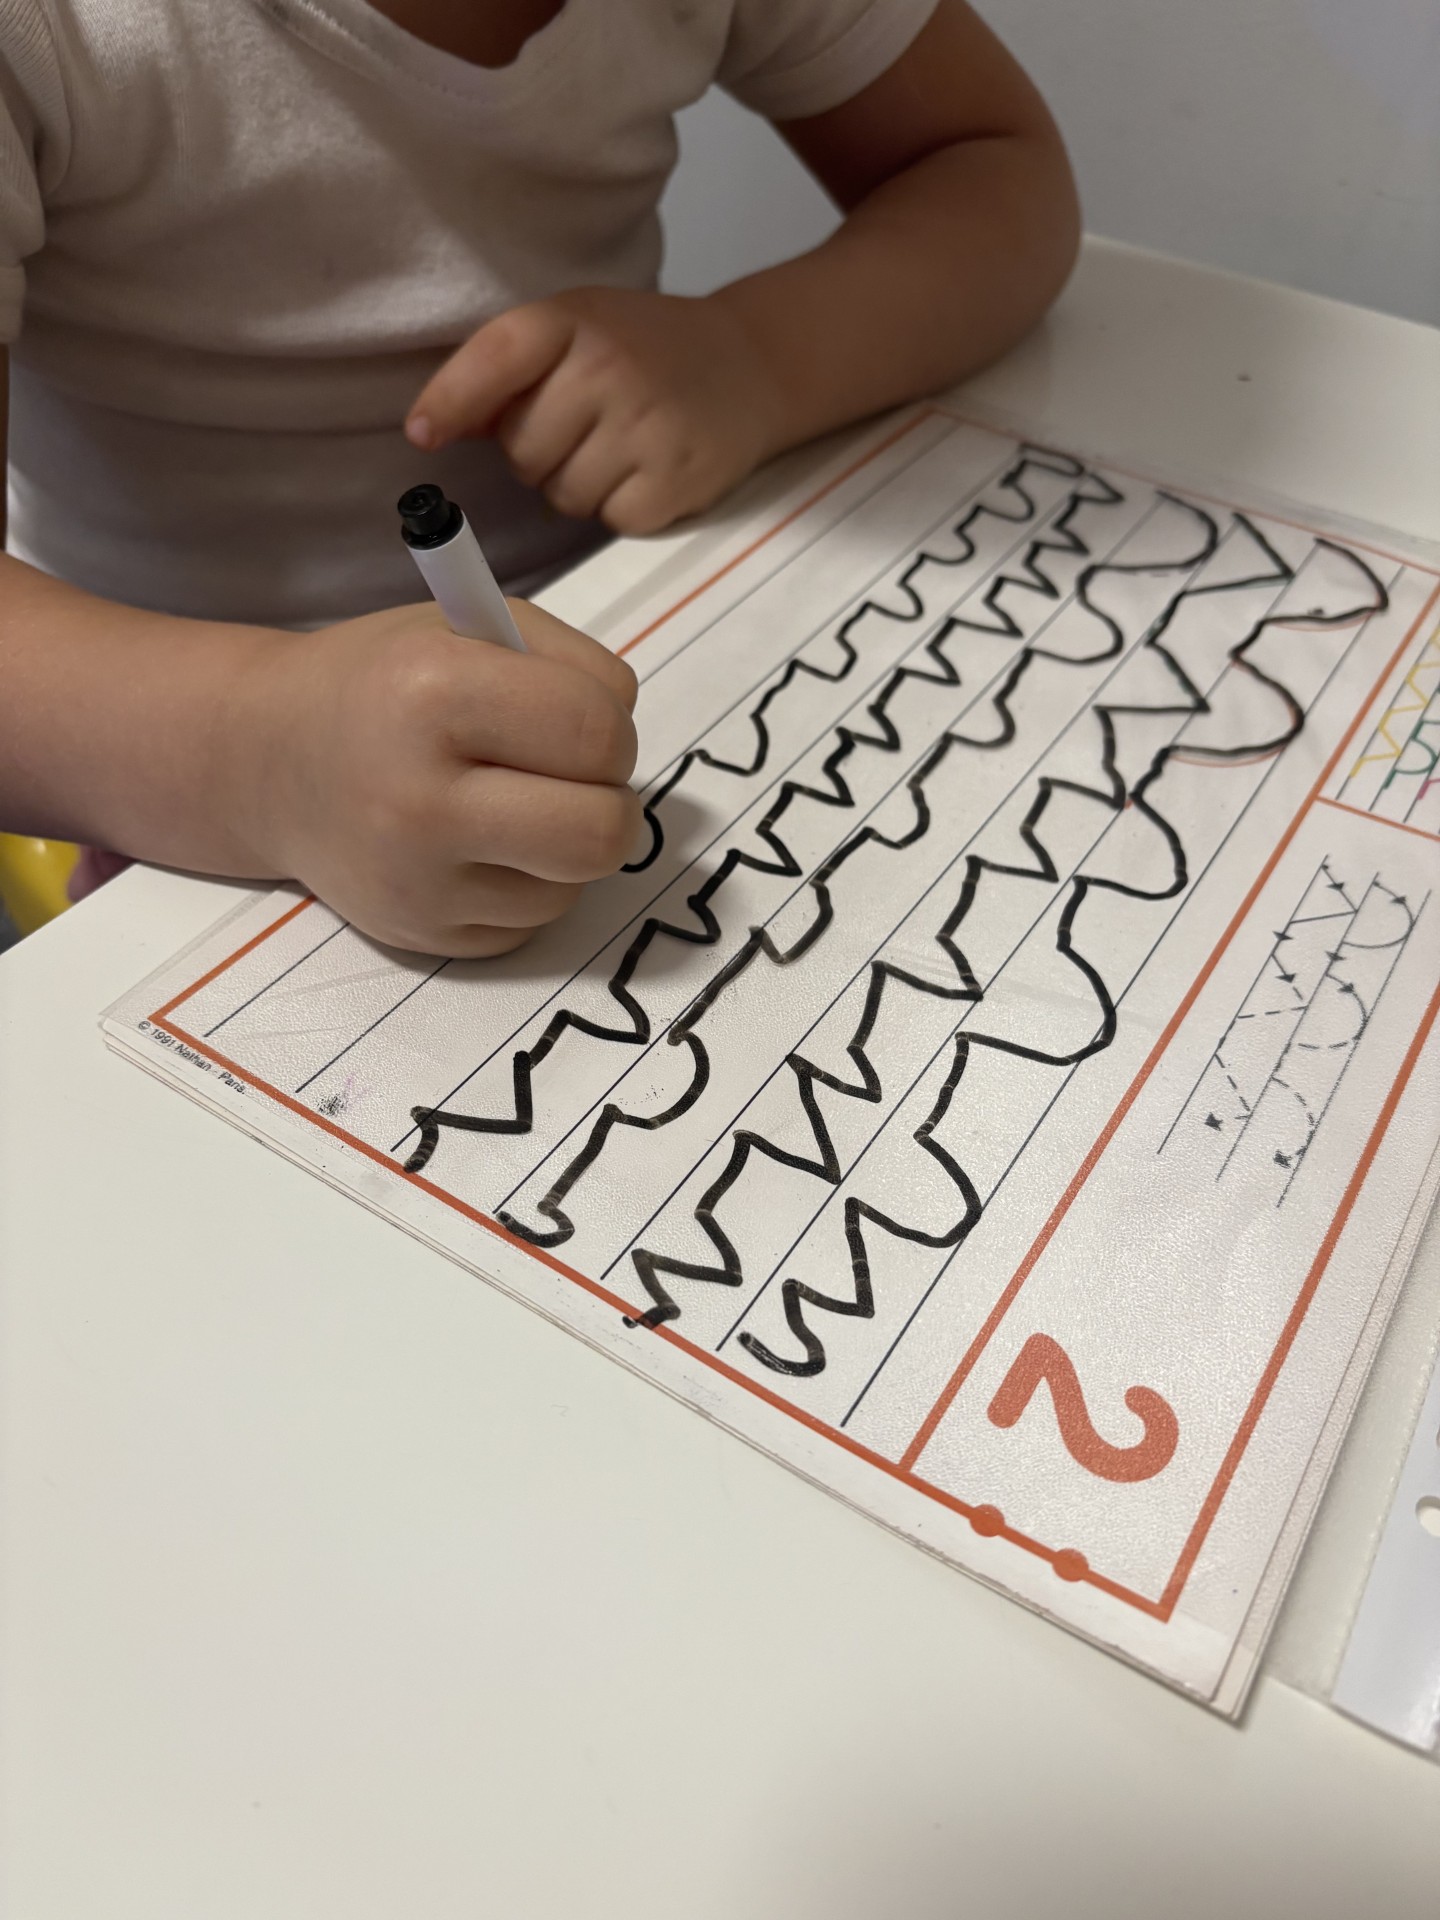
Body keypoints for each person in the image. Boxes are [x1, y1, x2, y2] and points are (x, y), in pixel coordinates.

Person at [0, 0, 1079, 955]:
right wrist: (265, 757)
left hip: (638, 636)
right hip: (170, 752)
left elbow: (991, 166)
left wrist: (755, 357)